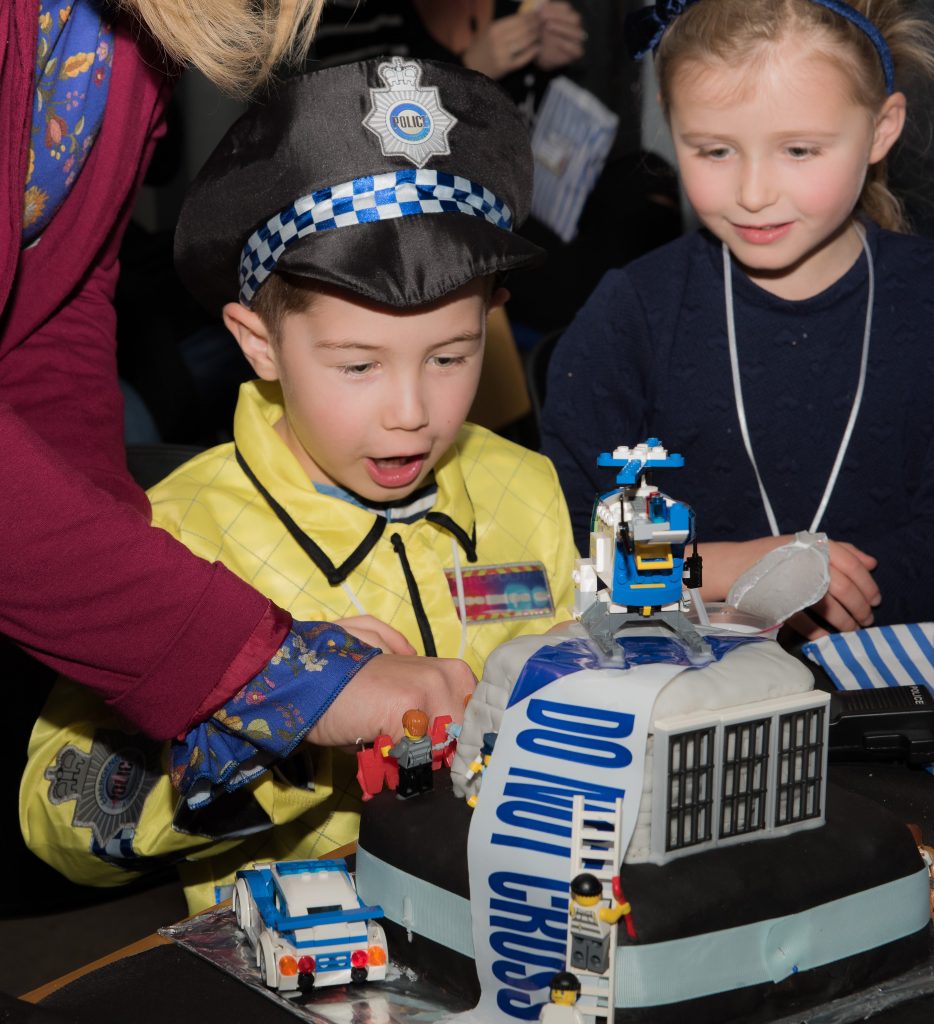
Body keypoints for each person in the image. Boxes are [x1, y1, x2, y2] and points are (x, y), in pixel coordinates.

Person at [20, 57, 577, 911]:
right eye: (357, 364)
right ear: (259, 343)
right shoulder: (167, 535)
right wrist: (276, 717)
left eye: (451, 357)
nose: (410, 412)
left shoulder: (523, 486)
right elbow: (60, 822)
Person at [541, 0, 934, 639]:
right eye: (715, 150)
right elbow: (567, 554)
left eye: (799, 150)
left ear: (882, 129)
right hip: (689, 699)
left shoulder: (922, 299)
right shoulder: (632, 316)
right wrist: (734, 567)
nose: (753, 192)